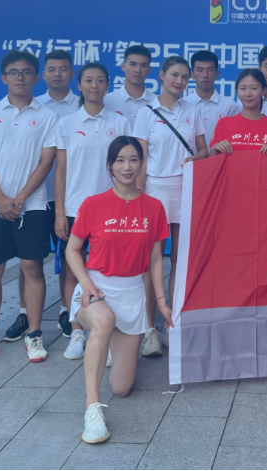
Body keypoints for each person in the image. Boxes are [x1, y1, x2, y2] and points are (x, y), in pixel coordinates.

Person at [64, 136, 172, 444]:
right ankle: (92, 409)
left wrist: (161, 303)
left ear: (141, 164)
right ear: (109, 166)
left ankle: (108, 346)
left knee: (122, 388)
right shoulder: (93, 204)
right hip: (96, 289)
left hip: (132, 293)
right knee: (103, 321)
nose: (127, 166)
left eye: (134, 159)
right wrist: (87, 284)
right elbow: (72, 250)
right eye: (120, 160)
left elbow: (155, 259)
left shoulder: (154, 207)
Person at [0, 50, 59, 366]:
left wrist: (19, 198)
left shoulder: (48, 116)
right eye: (14, 72)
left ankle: (34, 334)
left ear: (36, 77)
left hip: (33, 206)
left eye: (27, 72)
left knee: (32, 268)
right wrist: (1, 198)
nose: (21, 77)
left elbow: (46, 161)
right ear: (4, 78)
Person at [55, 62, 131, 361]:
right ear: (79, 85)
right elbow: (61, 171)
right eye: (88, 80)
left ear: (108, 85)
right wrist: (60, 212)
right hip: (75, 208)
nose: (94, 85)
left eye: (100, 80)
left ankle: (108, 334)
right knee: (73, 272)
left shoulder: (120, 122)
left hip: (113, 207)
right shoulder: (66, 123)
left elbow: (129, 166)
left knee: (110, 271)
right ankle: (76, 331)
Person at [4, 49, 81, 344]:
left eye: (64, 69)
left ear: (72, 73)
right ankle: (25, 312)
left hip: (69, 194)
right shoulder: (32, 106)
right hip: (34, 197)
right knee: (30, 260)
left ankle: (66, 310)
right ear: (43, 75)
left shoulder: (82, 105)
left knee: (69, 257)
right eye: (52, 69)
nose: (57, 74)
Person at [133, 56, 207, 357]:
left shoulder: (192, 110)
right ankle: (148, 330)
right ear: (162, 75)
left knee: (180, 261)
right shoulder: (146, 112)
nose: (179, 81)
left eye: (185, 77)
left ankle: (171, 325)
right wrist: (139, 198)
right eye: (174, 75)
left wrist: (195, 159)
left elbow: (203, 149)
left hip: (185, 190)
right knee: (152, 262)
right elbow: (139, 159)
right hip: (154, 192)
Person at [211, 69, 267, 155]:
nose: (248, 94)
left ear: (264, 91)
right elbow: (211, 161)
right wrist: (214, 149)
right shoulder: (223, 123)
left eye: (254, 88)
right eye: (243, 88)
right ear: (237, 91)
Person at [187, 50, 240, 147]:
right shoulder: (183, 104)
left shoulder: (229, 105)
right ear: (192, 74)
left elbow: (236, 137)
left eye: (210, 70)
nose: (205, 75)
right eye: (200, 70)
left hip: (220, 157)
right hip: (190, 157)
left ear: (217, 74)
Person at [104, 45, 156, 121]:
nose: (138, 70)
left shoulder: (157, 103)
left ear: (149, 69)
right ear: (123, 66)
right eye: (133, 64)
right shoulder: (107, 101)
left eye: (143, 65)